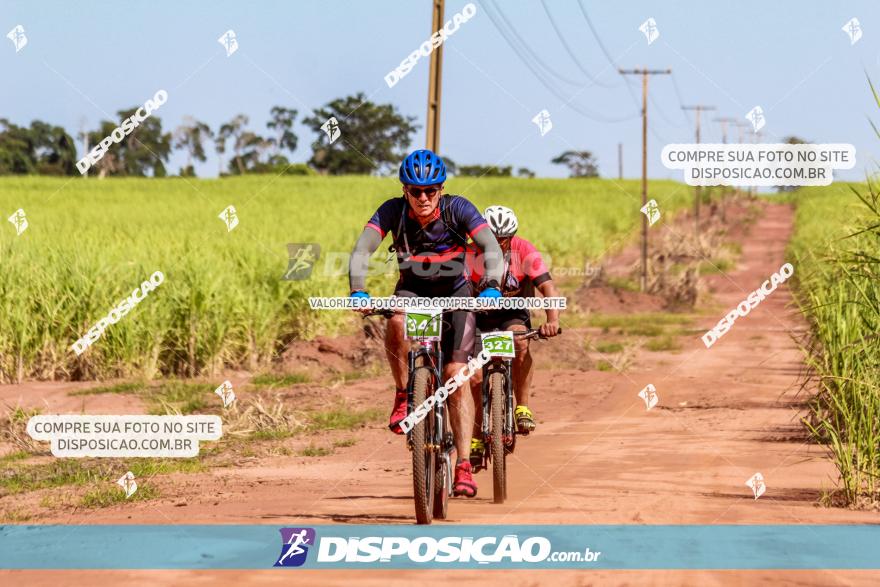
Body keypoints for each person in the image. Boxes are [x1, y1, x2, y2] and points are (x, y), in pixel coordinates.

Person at [348, 149, 504, 498]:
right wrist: (358, 289)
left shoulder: (458, 208)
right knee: (396, 319)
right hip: (413, 292)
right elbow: (362, 250)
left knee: (455, 375)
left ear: (441, 188)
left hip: (457, 295)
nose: (423, 198)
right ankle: (405, 393)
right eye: (415, 191)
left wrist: (492, 285)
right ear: (404, 190)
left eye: (430, 190)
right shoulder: (392, 211)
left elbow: (490, 246)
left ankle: (464, 464)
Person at [466, 205, 561, 468]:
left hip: (512, 313)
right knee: (474, 376)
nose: (498, 244)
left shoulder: (524, 250)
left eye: (504, 238)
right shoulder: (468, 252)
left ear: (512, 236)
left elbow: (548, 289)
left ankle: (523, 406)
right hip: (478, 314)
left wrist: (552, 321)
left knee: (519, 341)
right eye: (491, 238)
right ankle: (475, 435)